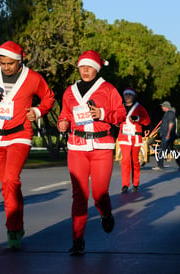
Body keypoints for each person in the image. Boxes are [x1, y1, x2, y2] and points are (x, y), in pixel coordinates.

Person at [0, 41, 55, 249]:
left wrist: (37, 112)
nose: (6, 67)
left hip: (20, 135)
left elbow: (49, 97)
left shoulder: (33, 78)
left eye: (10, 63)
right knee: (7, 186)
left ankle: (13, 228)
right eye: (2, 63)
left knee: (11, 179)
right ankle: (17, 224)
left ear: (20, 60)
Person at [58, 50, 126, 256]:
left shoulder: (108, 89)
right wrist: (63, 123)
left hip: (101, 147)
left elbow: (121, 114)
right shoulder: (69, 91)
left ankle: (105, 214)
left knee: (99, 194)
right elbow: (65, 115)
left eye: (89, 67)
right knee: (79, 195)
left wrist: (102, 113)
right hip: (76, 147)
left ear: (96, 68)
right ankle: (77, 240)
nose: (85, 70)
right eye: (82, 67)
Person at [117, 88, 150, 193]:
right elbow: (114, 118)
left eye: (129, 95)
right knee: (125, 160)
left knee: (135, 161)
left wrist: (137, 118)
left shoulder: (139, 107)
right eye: (125, 94)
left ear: (133, 96)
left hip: (135, 137)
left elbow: (147, 121)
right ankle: (125, 184)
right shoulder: (120, 107)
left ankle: (135, 183)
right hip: (124, 137)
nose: (127, 96)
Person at [152, 101, 180, 170]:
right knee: (172, 150)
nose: (161, 107)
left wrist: (168, 134)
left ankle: (160, 165)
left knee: (162, 149)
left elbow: (171, 124)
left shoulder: (170, 113)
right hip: (167, 134)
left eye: (162, 106)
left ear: (166, 107)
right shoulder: (168, 113)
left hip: (167, 135)